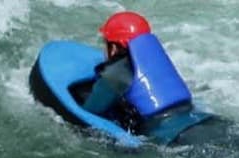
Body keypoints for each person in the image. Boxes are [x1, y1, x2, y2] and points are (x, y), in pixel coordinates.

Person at [81, 11, 207, 144]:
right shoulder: (158, 60)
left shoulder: (117, 73)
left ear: (113, 48)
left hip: (172, 137)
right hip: (200, 120)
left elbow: (90, 110)